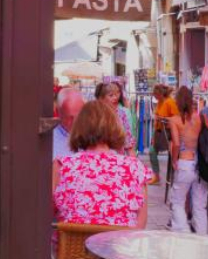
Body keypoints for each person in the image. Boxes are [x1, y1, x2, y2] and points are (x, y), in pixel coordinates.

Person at [53, 100, 152, 231]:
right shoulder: (134, 167)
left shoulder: (62, 165)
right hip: (119, 248)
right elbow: (141, 223)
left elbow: (50, 213)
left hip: (72, 249)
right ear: (114, 127)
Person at [169, 86, 208, 234]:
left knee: (178, 202)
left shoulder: (174, 120)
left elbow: (176, 143)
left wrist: (174, 160)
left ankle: (183, 233)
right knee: (200, 205)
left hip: (185, 162)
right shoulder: (201, 118)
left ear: (177, 101)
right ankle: (202, 236)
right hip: (200, 165)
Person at [148, 85, 178, 185]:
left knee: (171, 155)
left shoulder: (170, 102)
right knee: (152, 152)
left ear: (160, 94)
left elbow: (176, 118)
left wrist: (163, 119)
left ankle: (173, 177)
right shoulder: (160, 102)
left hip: (167, 133)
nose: (155, 96)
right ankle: (156, 175)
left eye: (156, 94)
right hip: (158, 131)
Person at [95, 81, 135, 155]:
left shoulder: (122, 114)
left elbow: (129, 144)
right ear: (101, 98)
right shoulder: (95, 115)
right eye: (111, 95)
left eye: (117, 93)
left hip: (118, 160)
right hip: (98, 160)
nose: (116, 97)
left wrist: (134, 163)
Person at [52, 87, 84, 162]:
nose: (74, 121)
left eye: (79, 116)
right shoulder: (50, 140)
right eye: (69, 117)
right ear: (58, 112)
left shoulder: (94, 134)